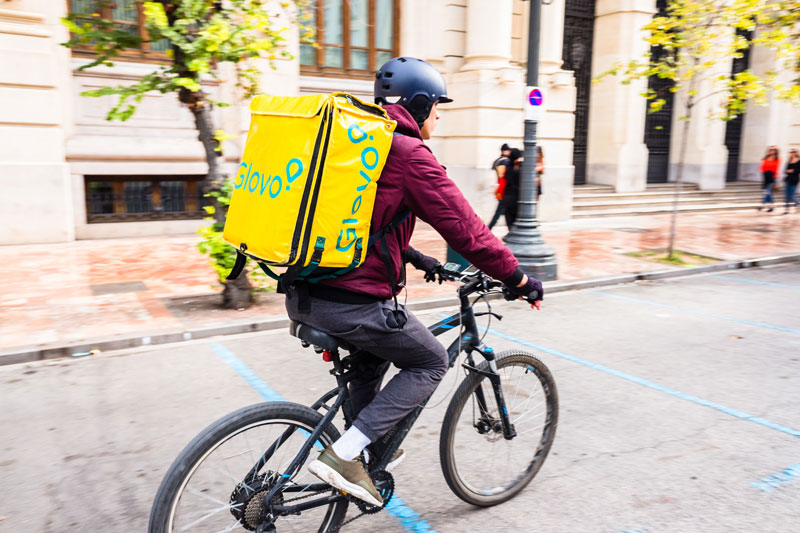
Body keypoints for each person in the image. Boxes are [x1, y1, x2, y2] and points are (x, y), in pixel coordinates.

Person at [289, 57, 543, 507]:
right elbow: (468, 232)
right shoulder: (407, 153)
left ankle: (362, 452)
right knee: (428, 361)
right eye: (438, 106)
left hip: (307, 293)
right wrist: (518, 277)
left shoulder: (357, 143)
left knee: (371, 363)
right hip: (353, 302)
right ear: (420, 105)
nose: (440, 116)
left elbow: (356, 225)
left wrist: (419, 258)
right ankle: (345, 455)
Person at [488, 144, 511, 229]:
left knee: (504, 211)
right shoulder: (505, 161)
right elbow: (502, 176)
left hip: (500, 187)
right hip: (503, 188)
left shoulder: (497, 161)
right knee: (500, 212)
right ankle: (488, 228)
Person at [503, 148, 523, 228]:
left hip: (507, 197)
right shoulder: (520, 168)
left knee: (509, 220)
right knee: (516, 220)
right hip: (517, 197)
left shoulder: (507, 167)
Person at [759, 146, 780, 212]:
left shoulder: (777, 159)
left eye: (773, 150)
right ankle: (771, 206)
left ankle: (762, 205)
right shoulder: (766, 158)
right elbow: (762, 167)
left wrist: (768, 170)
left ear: (776, 151)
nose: (771, 151)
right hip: (766, 176)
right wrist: (765, 171)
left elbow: (775, 168)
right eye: (770, 150)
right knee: (768, 192)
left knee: (767, 192)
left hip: (773, 177)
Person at [783, 148, 799, 214]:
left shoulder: (799, 161)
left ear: (796, 153)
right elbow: (786, 171)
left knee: (792, 196)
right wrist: (792, 170)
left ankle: (798, 203)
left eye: (793, 152)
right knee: (786, 195)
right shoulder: (789, 162)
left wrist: (792, 170)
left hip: (794, 180)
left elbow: (798, 170)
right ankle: (786, 209)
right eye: (790, 152)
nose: (791, 153)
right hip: (788, 180)